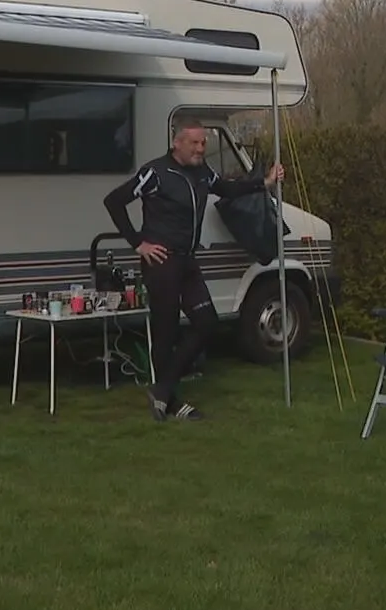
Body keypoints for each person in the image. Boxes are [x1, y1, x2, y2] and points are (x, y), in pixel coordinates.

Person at [103, 121, 284, 422]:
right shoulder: (156, 173)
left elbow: (227, 188)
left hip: (187, 261)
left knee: (207, 322)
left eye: (204, 144)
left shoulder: (203, 173)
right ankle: (170, 402)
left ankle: (162, 391)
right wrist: (138, 243)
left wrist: (263, 183)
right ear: (177, 143)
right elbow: (114, 201)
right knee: (166, 332)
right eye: (195, 144)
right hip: (162, 262)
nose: (201, 149)